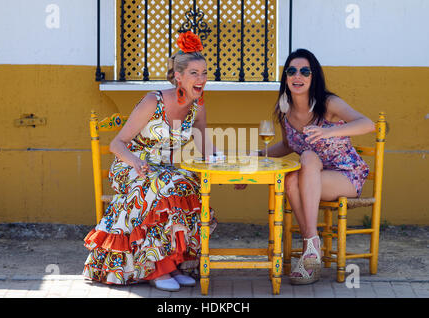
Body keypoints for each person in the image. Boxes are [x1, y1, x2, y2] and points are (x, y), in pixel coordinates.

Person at [83, 31, 216, 292]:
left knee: (188, 182)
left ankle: (174, 263)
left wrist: (228, 170)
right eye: (194, 73)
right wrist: (134, 161)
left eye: (204, 73)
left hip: (165, 170)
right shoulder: (152, 100)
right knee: (165, 186)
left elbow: (206, 149)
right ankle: (156, 269)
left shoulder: (197, 107)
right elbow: (116, 144)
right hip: (131, 165)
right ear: (178, 76)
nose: (201, 79)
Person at [245, 48, 375, 284]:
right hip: (313, 176)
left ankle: (310, 250)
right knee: (291, 177)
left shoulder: (328, 103)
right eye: (292, 71)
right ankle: (312, 247)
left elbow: (368, 124)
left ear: (313, 76)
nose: (298, 76)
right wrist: (255, 158)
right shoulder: (285, 112)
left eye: (305, 71)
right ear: (285, 77)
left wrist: (329, 131)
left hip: (346, 175)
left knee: (306, 158)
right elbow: (286, 145)